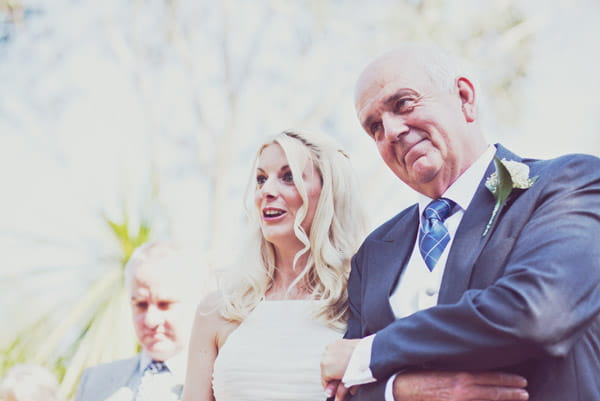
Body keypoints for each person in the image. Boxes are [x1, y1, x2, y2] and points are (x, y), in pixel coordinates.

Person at [320, 43, 600, 401]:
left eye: (402, 104)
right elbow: (346, 390)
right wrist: (400, 391)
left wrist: (371, 352)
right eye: (374, 127)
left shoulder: (566, 184)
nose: (390, 131)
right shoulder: (374, 252)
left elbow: (539, 311)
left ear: (465, 97)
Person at [181, 130, 528, 401]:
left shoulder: (367, 296)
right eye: (260, 179)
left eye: (288, 177)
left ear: (328, 191)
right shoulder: (219, 308)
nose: (266, 191)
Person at [75, 241, 201, 401]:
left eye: (164, 304)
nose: (150, 320)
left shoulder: (219, 382)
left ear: (197, 303)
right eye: (141, 305)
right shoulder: (93, 381)